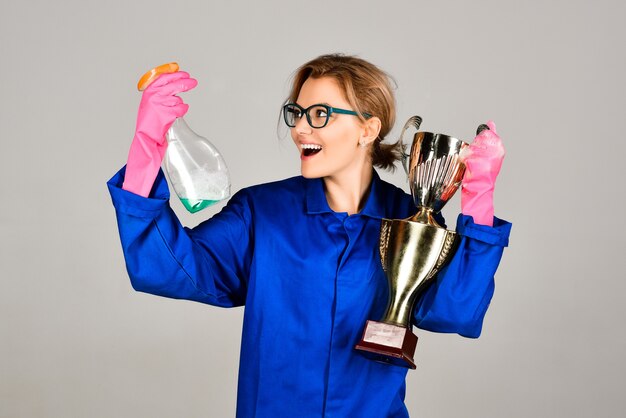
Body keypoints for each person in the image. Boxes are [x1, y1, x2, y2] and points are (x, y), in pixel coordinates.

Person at [107, 54, 511, 418]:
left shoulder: (411, 221)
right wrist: (148, 149)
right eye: (296, 113)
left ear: (368, 129)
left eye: (320, 114)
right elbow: (168, 270)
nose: (300, 128)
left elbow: (453, 312)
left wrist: (478, 201)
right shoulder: (262, 212)